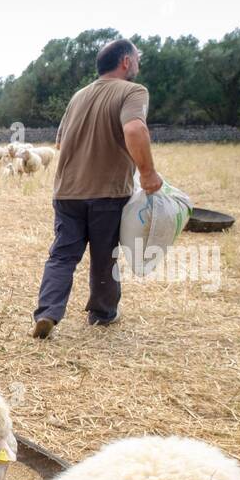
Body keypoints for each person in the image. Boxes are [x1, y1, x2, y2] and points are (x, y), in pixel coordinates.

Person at [32, 38, 162, 338]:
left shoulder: (78, 96)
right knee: (105, 255)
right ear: (126, 62)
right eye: (137, 59)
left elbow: (60, 143)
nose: (138, 64)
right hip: (108, 193)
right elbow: (134, 129)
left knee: (62, 256)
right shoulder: (133, 91)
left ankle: (48, 312)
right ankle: (102, 314)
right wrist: (148, 173)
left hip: (67, 192)